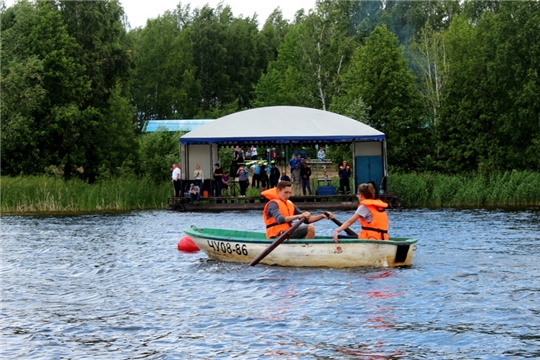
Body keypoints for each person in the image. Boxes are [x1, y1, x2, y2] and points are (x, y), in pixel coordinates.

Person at [261, 181, 332, 239]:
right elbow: (279, 219)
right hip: (276, 235)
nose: (288, 196)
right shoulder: (273, 204)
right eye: (285, 193)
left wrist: (322, 216)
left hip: (288, 232)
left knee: (310, 226)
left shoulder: (289, 204)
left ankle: (305, 247)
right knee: (310, 228)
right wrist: (299, 216)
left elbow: (307, 220)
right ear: (278, 191)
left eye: (289, 193)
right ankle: (307, 250)